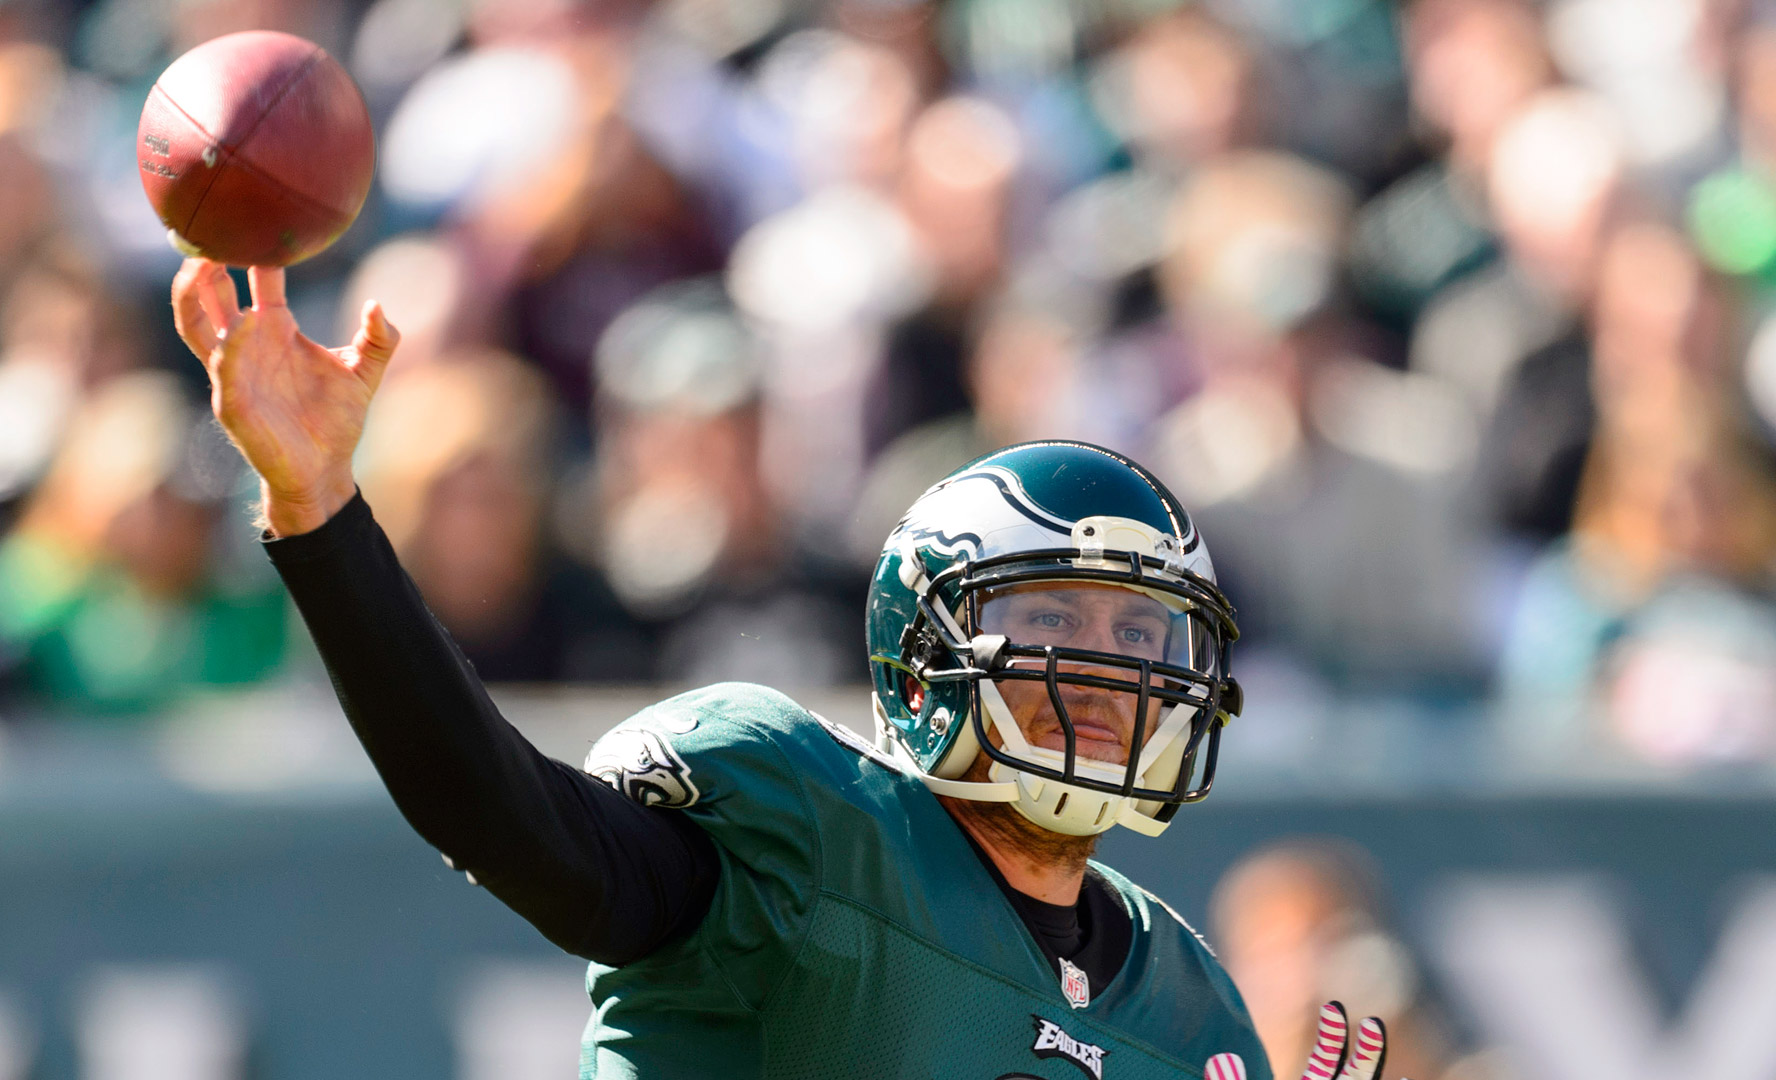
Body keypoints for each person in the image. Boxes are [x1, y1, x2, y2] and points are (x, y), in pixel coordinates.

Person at [168, 258, 1400, 1079]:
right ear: (930, 661)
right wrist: (320, 509)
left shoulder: (1194, 1010)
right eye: (1061, 625)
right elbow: (495, 814)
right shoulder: (801, 825)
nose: (1109, 673)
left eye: (1142, 638)